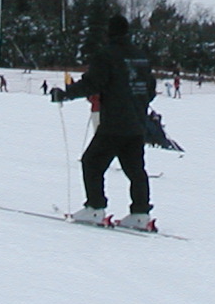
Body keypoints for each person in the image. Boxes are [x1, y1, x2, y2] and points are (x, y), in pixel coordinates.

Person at [52, 15, 158, 231]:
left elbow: (93, 83)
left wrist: (65, 94)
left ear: (108, 32)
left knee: (91, 162)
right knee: (136, 170)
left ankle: (95, 208)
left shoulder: (107, 55)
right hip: (137, 123)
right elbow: (150, 89)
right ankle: (140, 214)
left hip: (114, 123)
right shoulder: (141, 57)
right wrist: (137, 105)